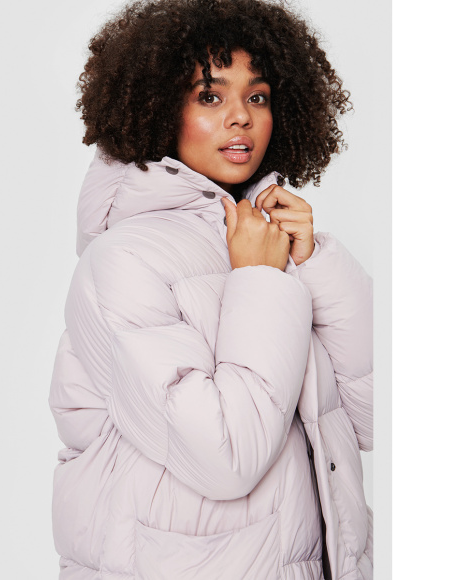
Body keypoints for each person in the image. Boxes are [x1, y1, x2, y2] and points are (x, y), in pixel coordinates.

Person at [48, 0, 373, 578]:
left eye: (258, 97)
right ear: (157, 107)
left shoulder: (269, 244)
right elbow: (225, 457)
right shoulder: (121, 262)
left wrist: (315, 263)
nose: (241, 117)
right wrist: (260, 280)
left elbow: (373, 419)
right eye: (210, 96)